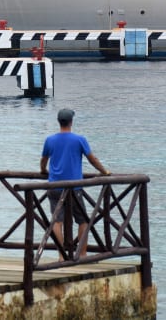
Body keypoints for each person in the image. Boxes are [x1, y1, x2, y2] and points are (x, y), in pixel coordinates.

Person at [39, 108, 111, 257]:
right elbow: (92, 159)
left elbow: (44, 160)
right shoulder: (79, 139)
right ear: (71, 122)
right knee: (83, 220)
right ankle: (82, 253)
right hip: (74, 188)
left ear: (59, 122)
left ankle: (61, 255)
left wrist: (43, 171)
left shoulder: (50, 140)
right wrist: (104, 172)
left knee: (57, 222)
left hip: (54, 185)